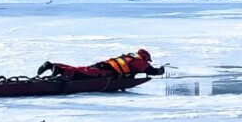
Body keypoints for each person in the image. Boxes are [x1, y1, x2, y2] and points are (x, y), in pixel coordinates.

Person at [37, 48, 165, 80]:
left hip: (104, 65)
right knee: (84, 74)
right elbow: (153, 72)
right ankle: (59, 69)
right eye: (147, 60)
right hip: (108, 71)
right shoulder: (140, 62)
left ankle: (55, 66)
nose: (147, 62)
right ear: (145, 57)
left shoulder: (130, 56)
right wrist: (162, 70)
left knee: (83, 69)